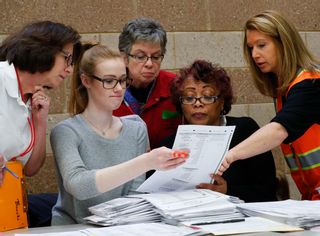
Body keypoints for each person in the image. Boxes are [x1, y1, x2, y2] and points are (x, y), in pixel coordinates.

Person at [218, 10, 320, 200]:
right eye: (251, 48)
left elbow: (279, 130)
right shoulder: (288, 89)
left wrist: (229, 156)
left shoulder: (316, 83)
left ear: (284, 43)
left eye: (262, 45)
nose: (255, 54)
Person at [50, 43, 186, 225]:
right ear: (86, 80)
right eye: (108, 81)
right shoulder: (66, 131)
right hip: (75, 228)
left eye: (122, 80)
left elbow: (135, 195)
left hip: (121, 226)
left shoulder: (137, 127)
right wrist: (147, 161)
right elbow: (79, 185)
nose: (119, 88)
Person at [0, 20, 81, 227]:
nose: (70, 70)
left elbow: (30, 169)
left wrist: (40, 121)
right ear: (43, 49)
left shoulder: (30, 98)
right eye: (67, 59)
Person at [161, 60, 278, 202]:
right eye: (190, 97)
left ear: (222, 101)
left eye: (208, 96)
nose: (198, 103)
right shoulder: (169, 144)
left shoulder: (245, 130)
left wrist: (228, 191)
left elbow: (268, 190)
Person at [113, 17, 182, 151]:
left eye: (156, 57)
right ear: (124, 58)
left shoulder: (176, 86)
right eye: (140, 57)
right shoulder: (107, 88)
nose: (150, 64)